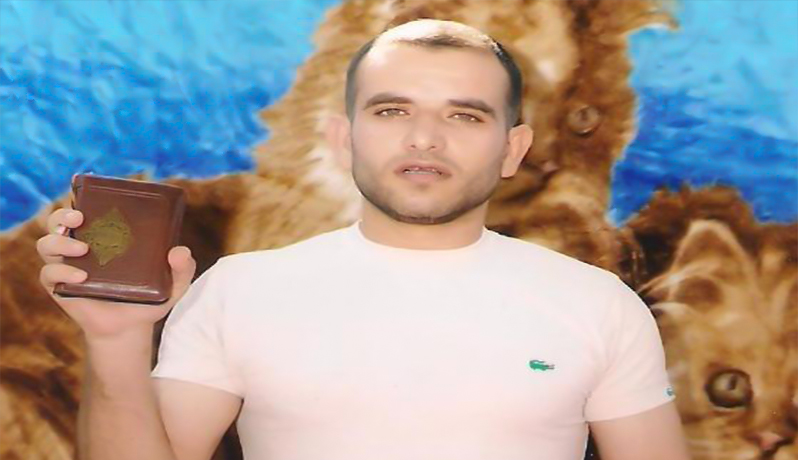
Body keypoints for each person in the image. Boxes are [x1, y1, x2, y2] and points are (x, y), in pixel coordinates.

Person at [37, 19, 691, 460]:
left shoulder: (598, 304)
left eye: (465, 116)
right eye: (392, 110)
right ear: (343, 138)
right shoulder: (239, 289)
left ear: (513, 148)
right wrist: (115, 342)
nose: (424, 139)